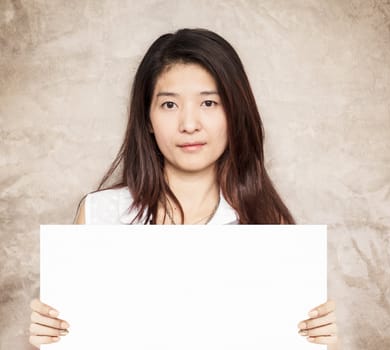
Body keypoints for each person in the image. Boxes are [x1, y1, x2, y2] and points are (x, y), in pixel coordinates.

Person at [28, 28, 338, 347]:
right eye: (169, 105)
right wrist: (46, 339)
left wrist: (323, 341)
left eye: (209, 102)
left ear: (234, 112)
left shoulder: (269, 225)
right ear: (147, 118)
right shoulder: (99, 214)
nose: (189, 124)